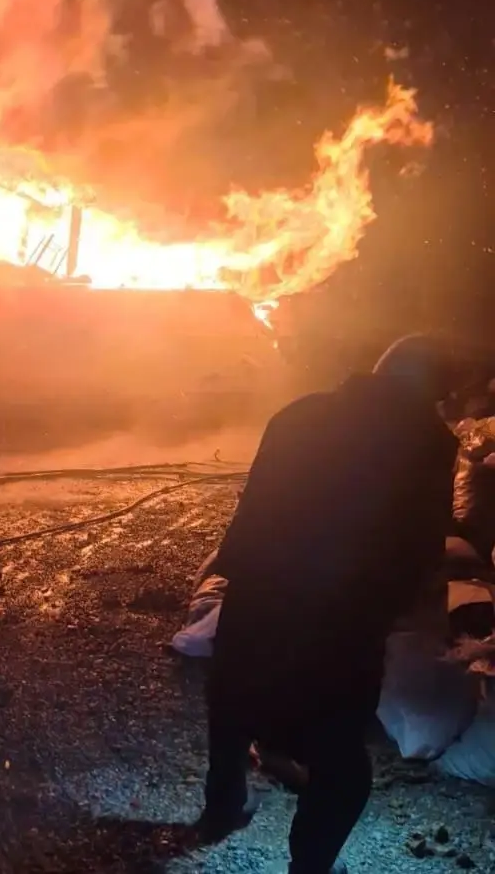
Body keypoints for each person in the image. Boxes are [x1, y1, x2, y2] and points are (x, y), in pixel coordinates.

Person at [197, 334, 462, 874]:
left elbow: (255, 507)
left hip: (259, 592)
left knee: (232, 703)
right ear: (432, 390)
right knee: (338, 754)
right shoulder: (430, 440)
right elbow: (420, 544)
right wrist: (410, 609)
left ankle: (222, 807)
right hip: (341, 616)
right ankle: (311, 865)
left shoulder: (298, 413)